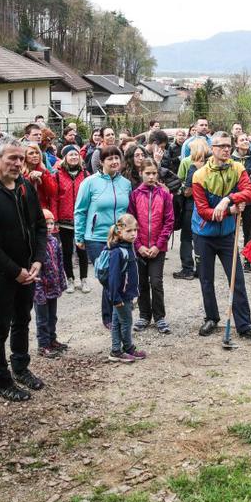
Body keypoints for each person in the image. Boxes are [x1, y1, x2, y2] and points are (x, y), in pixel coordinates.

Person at [0, 136, 48, 402]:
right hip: (0, 274)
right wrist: (15, 271)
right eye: (12, 158)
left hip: (28, 270)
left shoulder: (25, 187)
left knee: (23, 320)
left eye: (21, 158)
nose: (18, 163)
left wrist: (38, 260)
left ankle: (21, 368)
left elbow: (39, 225)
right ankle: (0, 379)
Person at [192, 131, 251, 342]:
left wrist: (228, 199)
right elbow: (204, 211)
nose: (226, 149)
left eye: (228, 146)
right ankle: (211, 318)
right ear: (212, 148)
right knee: (206, 279)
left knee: (237, 279)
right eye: (221, 146)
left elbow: (250, 192)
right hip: (203, 234)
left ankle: (244, 325)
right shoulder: (200, 176)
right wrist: (230, 211)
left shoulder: (237, 168)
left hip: (227, 235)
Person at [73, 144, 132, 328]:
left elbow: (128, 211)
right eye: (110, 158)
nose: (114, 161)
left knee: (118, 276)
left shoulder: (126, 183)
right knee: (107, 276)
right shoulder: (90, 183)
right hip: (96, 237)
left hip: (120, 237)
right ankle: (110, 316)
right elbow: (80, 210)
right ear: (101, 162)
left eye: (117, 158)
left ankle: (114, 315)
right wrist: (79, 236)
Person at [128, 158, 175, 334]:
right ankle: (144, 315)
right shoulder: (134, 195)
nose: (151, 177)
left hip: (158, 247)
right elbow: (131, 221)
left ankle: (160, 317)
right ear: (141, 173)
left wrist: (158, 245)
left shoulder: (164, 195)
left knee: (156, 282)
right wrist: (138, 245)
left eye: (154, 173)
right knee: (141, 282)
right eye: (147, 173)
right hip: (139, 248)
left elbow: (169, 222)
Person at [104, 214, 147, 362]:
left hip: (125, 294)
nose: (133, 234)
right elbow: (113, 277)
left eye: (135, 230)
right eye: (129, 231)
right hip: (121, 296)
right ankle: (128, 348)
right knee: (127, 322)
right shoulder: (118, 252)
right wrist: (115, 298)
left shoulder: (129, 247)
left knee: (117, 322)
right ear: (119, 232)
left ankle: (116, 350)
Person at [54, 144, 90, 294]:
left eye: (76, 154)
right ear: (65, 157)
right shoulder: (58, 175)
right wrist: (55, 219)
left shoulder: (86, 174)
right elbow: (55, 198)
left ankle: (84, 279)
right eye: (71, 155)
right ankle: (69, 279)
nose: (74, 157)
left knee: (82, 251)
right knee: (67, 251)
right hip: (65, 219)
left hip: (82, 219)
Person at [33, 209, 68, 358]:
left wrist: (61, 282)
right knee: (42, 319)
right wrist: (37, 289)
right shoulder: (35, 244)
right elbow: (34, 270)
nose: (48, 227)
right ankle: (43, 344)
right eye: (45, 223)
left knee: (52, 316)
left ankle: (52, 340)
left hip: (53, 286)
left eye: (51, 223)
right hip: (40, 288)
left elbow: (60, 263)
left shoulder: (54, 241)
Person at [173, 138, 209, 280]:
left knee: (187, 238)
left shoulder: (192, 165)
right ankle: (201, 269)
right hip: (207, 206)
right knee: (201, 238)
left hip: (191, 206)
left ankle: (187, 269)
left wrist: (181, 190)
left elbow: (187, 190)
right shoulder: (211, 165)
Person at [232, 133, 251, 272]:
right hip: (234, 199)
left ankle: (247, 259)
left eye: (247, 139)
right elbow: (231, 179)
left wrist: (242, 178)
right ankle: (233, 258)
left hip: (249, 200)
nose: (245, 141)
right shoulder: (231, 159)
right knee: (232, 229)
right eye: (242, 140)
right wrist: (248, 176)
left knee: (248, 230)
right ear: (236, 143)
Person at [23, 142, 58, 218]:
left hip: (42, 210)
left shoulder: (44, 170)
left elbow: (52, 192)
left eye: (37, 153)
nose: (35, 155)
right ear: (24, 156)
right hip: (25, 210)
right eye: (31, 153)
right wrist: (30, 179)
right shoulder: (20, 172)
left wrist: (43, 176)